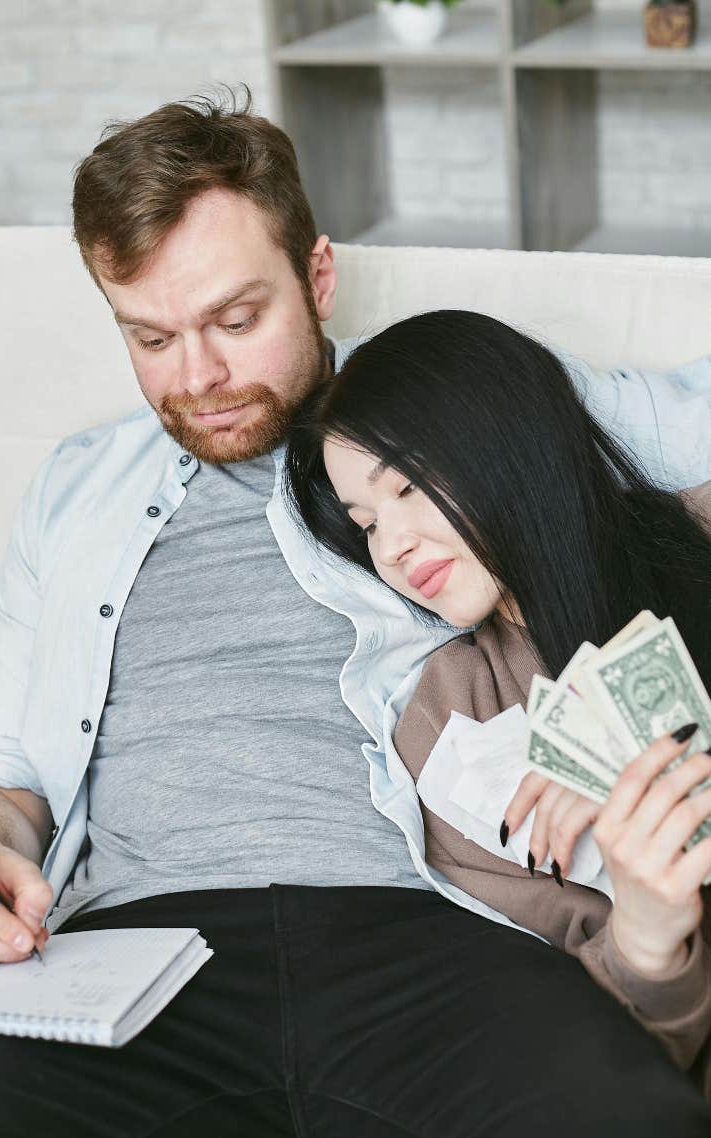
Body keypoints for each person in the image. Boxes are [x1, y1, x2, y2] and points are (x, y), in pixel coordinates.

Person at [0, 89, 711, 1136]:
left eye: (234, 319)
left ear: (317, 276)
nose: (200, 376)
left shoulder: (445, 406)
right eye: (151, 336)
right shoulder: (72, 491)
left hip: (438, 933)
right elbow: (1, 765)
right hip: (135, 951)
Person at [284, 306, 711, 1095]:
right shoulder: (451, 736)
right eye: (366, 523)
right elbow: (567, 1055)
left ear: (510, 435)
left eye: (407, 484)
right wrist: (648, 937)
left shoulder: (701, 529)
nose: (394, 546)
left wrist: (659, 726)